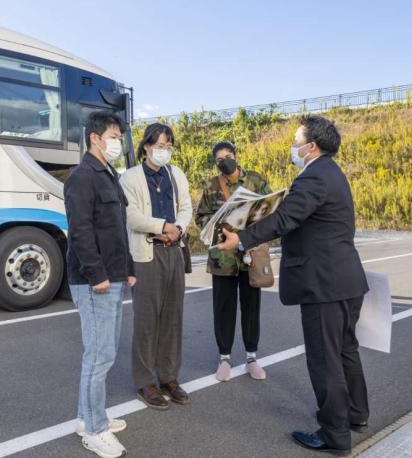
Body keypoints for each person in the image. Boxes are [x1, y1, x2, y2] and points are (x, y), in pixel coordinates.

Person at [217, 116, 369, 456]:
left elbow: (286, 219)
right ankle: (355, 414)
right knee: (345, 350)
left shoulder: (313, 176)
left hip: (323, 284)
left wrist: (242, 239)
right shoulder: (332, 172)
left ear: (311, 146)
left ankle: (334, 434)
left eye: (296, 139)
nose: (293, 145)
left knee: (325, 359)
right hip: (344, 279)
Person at [64, 111, 136, 458]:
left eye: (119, 137)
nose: (117, 142)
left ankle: (87, 416)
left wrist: (128, 268)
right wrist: (98, 275)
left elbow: (116, 230)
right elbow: (80, 231)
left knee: (102, 353)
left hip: (114, 276)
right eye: (113, 136)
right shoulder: (82, 177)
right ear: (95, 138)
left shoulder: (109, 175)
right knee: (99, 356)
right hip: (96, 281)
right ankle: (95, 430)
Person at [119, 123, 193, 410]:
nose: (165, 151)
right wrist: (161, 226)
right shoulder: (131, 178)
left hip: (174, 250)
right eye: (160, 145)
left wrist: (179, 229)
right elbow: (131, 216)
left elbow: (185, 207)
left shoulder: (176, 175)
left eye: (169, 146)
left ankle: (169, 377)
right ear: (147, 146)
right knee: (147, 320)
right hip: (146, 254)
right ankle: (145, 382)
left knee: (173, 318)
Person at [195, 141, 271, 382]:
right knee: (223, 309)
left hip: (249, 255)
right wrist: (219, 227)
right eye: (219, 159)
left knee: (251, 308)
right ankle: (224, 358)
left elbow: (270, 209)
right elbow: (201, 218)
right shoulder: (210, 187)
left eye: (228, 156)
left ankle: (251, 358)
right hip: (223, 257)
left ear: (236, 157)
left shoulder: (255, 180)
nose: (224, 161)